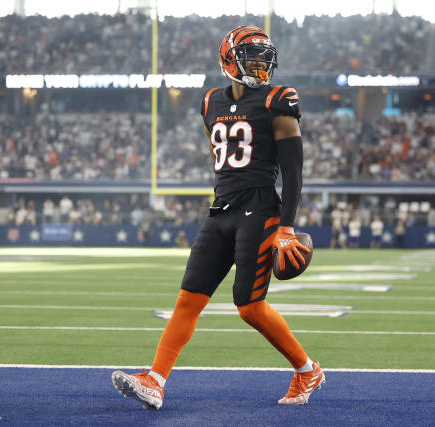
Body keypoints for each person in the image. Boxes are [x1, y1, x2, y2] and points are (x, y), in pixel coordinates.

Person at [112, 25, 324, 409]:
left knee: (249, 306)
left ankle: (307, 370)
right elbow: (219, 160)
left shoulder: (279, 99)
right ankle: (155, 380)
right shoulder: (210, 100)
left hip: (259, 211)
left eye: (265, 56)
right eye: (252, 55)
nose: (260, 64)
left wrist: (286, 227)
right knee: (188, 298)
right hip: (221, 209)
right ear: (229, 57)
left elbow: (294, 172)